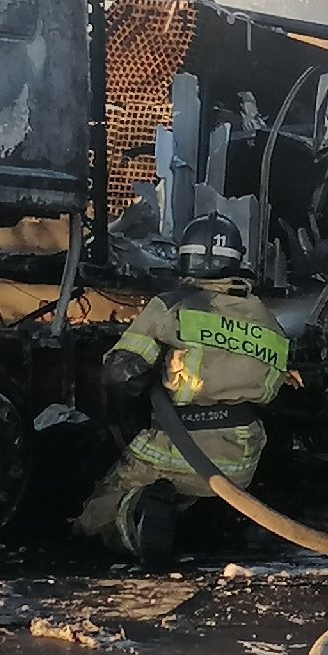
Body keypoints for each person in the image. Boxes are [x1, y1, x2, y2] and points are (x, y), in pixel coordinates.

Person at [73, 214, 290, 565]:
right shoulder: (264, 317)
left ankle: (138, 514)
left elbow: (122, 374)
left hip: (178, 446)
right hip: (240, 456)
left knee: (99, 513)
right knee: (193, 496)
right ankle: (195, 519)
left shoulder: (171, 306)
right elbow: (272, 390)